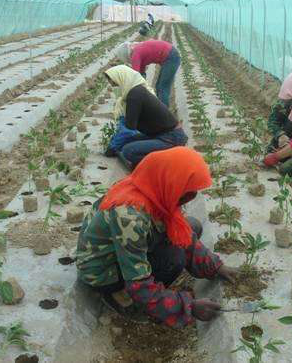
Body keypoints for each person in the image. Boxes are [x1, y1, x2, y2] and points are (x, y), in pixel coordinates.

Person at [76, 147, 236, 327]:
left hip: (120, 249)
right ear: (171, 183)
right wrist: (188, 307)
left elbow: (181, 231)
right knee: (174, 259)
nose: (187, 200)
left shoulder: (151, 185)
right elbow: (139, 283)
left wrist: (215, 267)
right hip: (102, 270)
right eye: (185, 194)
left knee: (191, 227)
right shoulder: (129, 216)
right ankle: (122, 298)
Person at [104, 65, 187, 169]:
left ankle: (169, 163)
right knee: (127, 143)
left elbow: (129, 129)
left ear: (123, 79)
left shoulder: (135, 95)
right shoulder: (136, 91)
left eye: (116, 84)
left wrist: (112, 147)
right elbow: (129, 125)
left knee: (128, 150)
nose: (116, 88)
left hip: (171, 138)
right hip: (159, 134)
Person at [115, 40, 180, 106]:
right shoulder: (139, 50)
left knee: (163, 87)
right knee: (158, 86)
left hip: (171, 57)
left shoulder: (136, 54)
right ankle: (160, 108)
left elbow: (135, 76)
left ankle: (164, 113)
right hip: (170, 56)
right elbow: (141, 73)